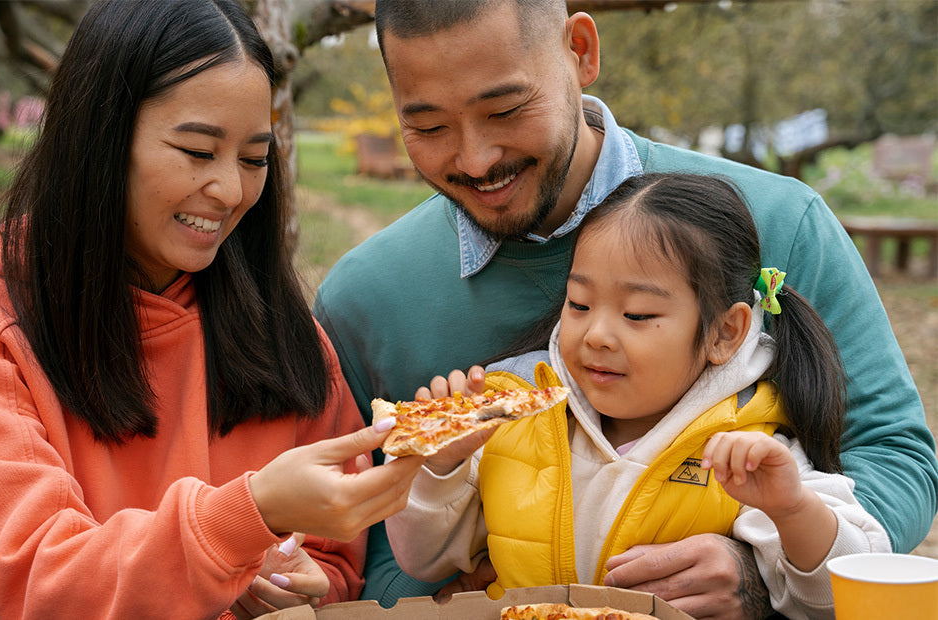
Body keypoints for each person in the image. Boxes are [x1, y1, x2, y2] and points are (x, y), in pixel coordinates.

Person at [311, 1, 938, 618]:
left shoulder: (781, 224)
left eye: (504, 109)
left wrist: (760, 574)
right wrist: (459, 597)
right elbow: (356, 549)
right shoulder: (364, 300)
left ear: (579, 51)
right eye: (427, 127)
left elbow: (894, 458)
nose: (474, 159)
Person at [0, 1, 424, 617]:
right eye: (198, 152)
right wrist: (249, 516)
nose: (230, 191)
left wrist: (292, 583)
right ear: (100, 138)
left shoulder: (281, 335)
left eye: (254, 159)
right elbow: (42, 582)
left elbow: (333, 561)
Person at [385, 172, 892, 620]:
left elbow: (835, 594)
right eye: (579, 303)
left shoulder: (751, 447)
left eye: (638, 315)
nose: (597, 335)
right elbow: (422, 560)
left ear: (724, 333)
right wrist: (437, 467)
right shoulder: (509, 412)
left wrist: (792, 509)